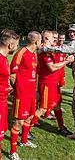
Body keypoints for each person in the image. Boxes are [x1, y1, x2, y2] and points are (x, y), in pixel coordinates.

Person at [33, 30, 74, 136]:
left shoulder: (49, 50)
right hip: (47, 83)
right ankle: (25, 130)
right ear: (46, 38)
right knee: (42, 108)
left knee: (57, 105)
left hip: (54, 82)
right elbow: (51, 68)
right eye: (52, 38)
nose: (54, 40)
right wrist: (67, 61)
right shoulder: (44, 51)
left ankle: (61, 127)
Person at [9, 31, 41, 160]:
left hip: (31, 93)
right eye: (40, 41)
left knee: (29, 117)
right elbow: (12, 74)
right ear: (36, 42)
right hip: (22, 94)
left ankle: (24, 140)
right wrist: (19, 89)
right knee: (18, 122)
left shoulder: (33, 54)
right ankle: (12, 152)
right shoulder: (21, 53)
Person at [0, 29, 20, 159]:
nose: (17, 47)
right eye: (16, 45)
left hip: (3, 100)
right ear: (10, 45)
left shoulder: (5, 58)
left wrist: (9, 88)